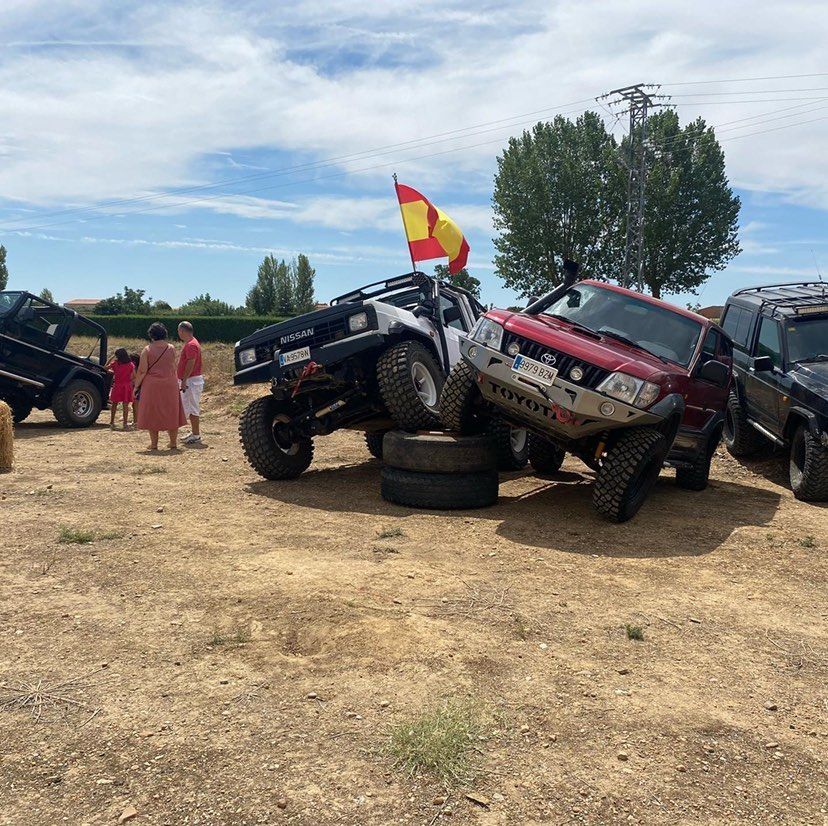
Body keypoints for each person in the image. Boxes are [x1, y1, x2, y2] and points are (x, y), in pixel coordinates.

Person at [134, 322, 187, 451]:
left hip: (152, 385)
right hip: (170, 383)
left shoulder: (147, 350)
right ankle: (173, 442)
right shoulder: (172, 348)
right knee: (171, 411)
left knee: (153, 412)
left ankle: (154, 444)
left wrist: (136, 386)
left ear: (151, 335)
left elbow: (142, 370)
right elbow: (173, 365)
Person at [177, 321, 204, 445]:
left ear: (182, 331)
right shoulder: (191, 343)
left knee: (193, 408)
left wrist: (184, 379)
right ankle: (194, 432)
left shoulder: (191, 345)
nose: (178, 333)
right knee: (189, 406)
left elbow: (191, 362)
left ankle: (196, 434)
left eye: (179, 331)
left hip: (191, 381)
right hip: (191, 380)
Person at [106, 347, 135, 430]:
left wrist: (111, 358)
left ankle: (112, 422)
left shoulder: (115, 363)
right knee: (125, 405)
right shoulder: (130, 364)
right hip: (127, 385)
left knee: (114, 404)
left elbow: (105, 368)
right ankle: (125, 423)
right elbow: (134, 376)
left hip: (117, 385)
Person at [129, 352, 141, 426]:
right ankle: (136, 421)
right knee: (135, 405)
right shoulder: (141, 368)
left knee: (135, 405)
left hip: (137, 388)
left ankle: (136, 422)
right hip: (139, 387)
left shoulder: (135, 368)